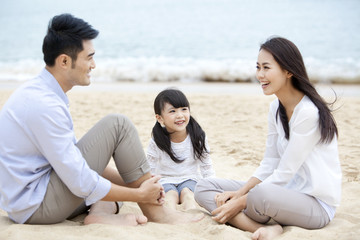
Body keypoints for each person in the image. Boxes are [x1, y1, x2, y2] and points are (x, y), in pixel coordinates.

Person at [0, 13, 203, 226]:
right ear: (64, 61)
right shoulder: (45, 105)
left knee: (112, 187)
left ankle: (99, 215)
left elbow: (74, 163)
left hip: (33, 200)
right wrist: (140, 194)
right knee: (118, 125)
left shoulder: (41, 93)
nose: (93, 65)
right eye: (89, 57)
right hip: (38, 206)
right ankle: (158, 213)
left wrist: (139, 184)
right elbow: (80, 180)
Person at [194, 36, 342, 240]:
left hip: (315, 205)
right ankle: (258, 227)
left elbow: (285, 172)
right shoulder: (275, 108)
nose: (260, 75)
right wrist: (240, 193)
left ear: (288, 71)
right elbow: (270, 162)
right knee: (203, 187)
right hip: (282, 193)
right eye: (258, 68)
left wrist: (240, 201)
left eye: (266, 68)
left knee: (259, 195)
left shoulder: (308, 112)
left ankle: (245, 216)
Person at [147, 88, 215, 210]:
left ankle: (190, 220)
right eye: (172, 111)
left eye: (184, 109)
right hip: (165, 180)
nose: (180, 115)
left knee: (188, 195)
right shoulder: (156, 141)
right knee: (170, 197)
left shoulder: (197, 136)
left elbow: (206, 165)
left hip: (190, 178)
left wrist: (213, 187)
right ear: (160, 118)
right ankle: (172, 219)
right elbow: (150, 168)